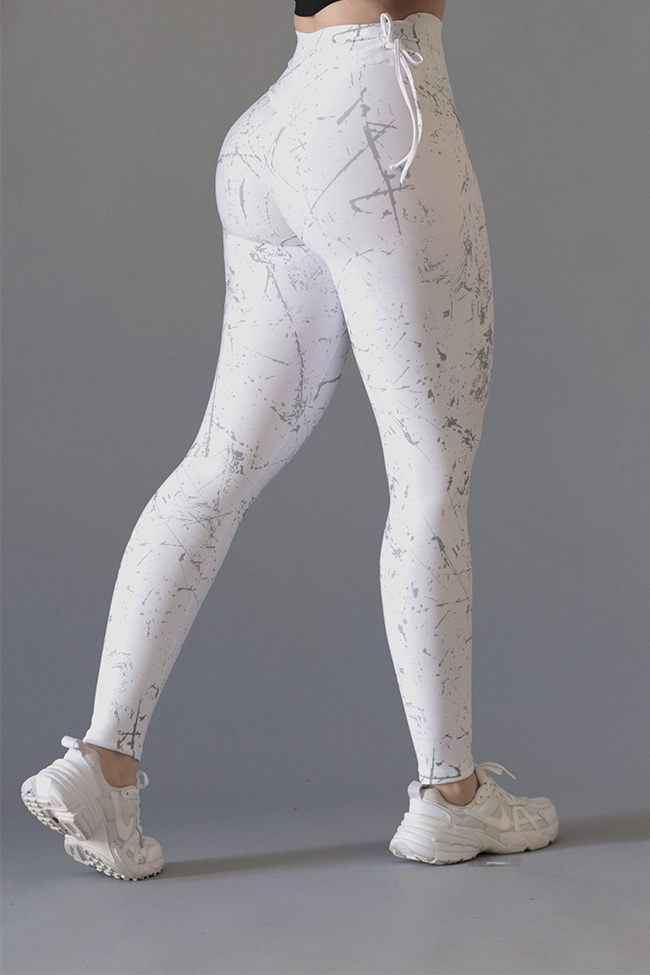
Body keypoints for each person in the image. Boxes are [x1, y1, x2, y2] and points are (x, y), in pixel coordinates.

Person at [21, 0, 559, 881]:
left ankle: (104, 759)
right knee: (429, 478)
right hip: (382, 108)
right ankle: (450, 794)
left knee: (219, 464)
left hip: (276, 128)